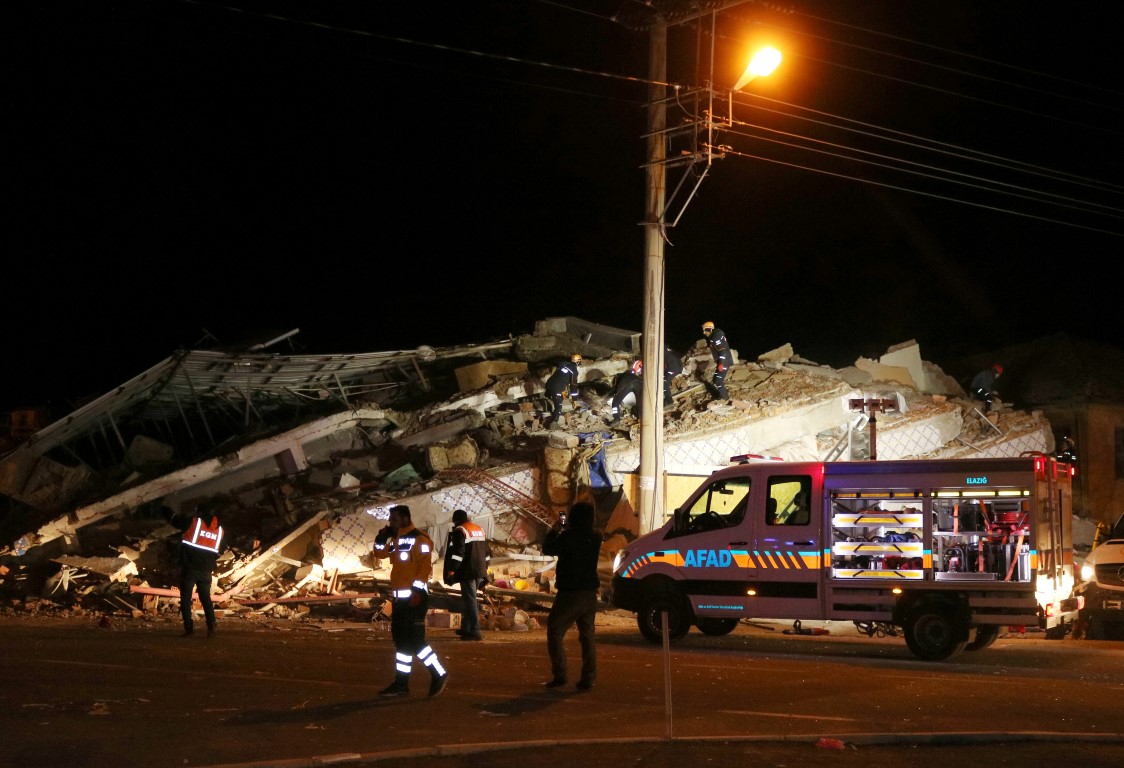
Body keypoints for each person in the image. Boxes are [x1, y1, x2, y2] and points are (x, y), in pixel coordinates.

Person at [372, 504, 448, 698]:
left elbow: (424, 567)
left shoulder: (419, 538)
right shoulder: (397, 539)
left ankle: (438, 673)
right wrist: (382, 537)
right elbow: (379, 553)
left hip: (415, 599)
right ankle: (401, 684)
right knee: (401, 643)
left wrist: (416, 590)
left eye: (394, 520)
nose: (391, 523)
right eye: (390, 520)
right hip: (399, 600)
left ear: (405, 519)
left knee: (415, 641)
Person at [541, 501, 603, 691]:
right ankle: (588, 677)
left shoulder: (568, 536)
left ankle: (560, 674)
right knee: (587, 635)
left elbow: (548, 549)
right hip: (589, 593)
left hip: (570, 593)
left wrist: (555, 530)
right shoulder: (596, 536)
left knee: (555, 630)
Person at [443, 509, 491, 641]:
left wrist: (452, 569)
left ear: (456, 520)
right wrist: (486, 568)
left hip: (468, 571)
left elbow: (458, 553)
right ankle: (466, 627)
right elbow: (486, 552)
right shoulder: (478, 529)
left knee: (470, 600)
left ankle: (475, 630)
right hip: (479, 570)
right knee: (469, 599)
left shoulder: (460, 531)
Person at [178, 503, 224, 638]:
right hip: (206, 571)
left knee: (186, 599)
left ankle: (188, 629)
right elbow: (221, 549)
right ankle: (211, 627)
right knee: (206, 599)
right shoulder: (219, 530)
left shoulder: (194, 523)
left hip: (190, 569)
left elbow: (176, 522)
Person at [544, 353, 582, 427]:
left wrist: (563, 390)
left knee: (557, 397)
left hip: (548, 385)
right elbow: (573, 386)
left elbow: (561, 377)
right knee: (558, 406)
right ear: (578, 362)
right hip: (556, 389)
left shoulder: (563, 364)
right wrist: (574, 399)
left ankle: (549, 410)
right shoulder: (574, 371)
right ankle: (553, 423)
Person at [701, 321, 732, 400]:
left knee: (718, 381)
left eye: (705, 330)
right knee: (715, 380)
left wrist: (721, 363)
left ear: (709, 329)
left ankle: (725, 398)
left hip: (724, 361)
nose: (704, 332)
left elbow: (723, 351)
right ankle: (720, 395)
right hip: (722, 361)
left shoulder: (716, 337)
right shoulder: (714, 336)